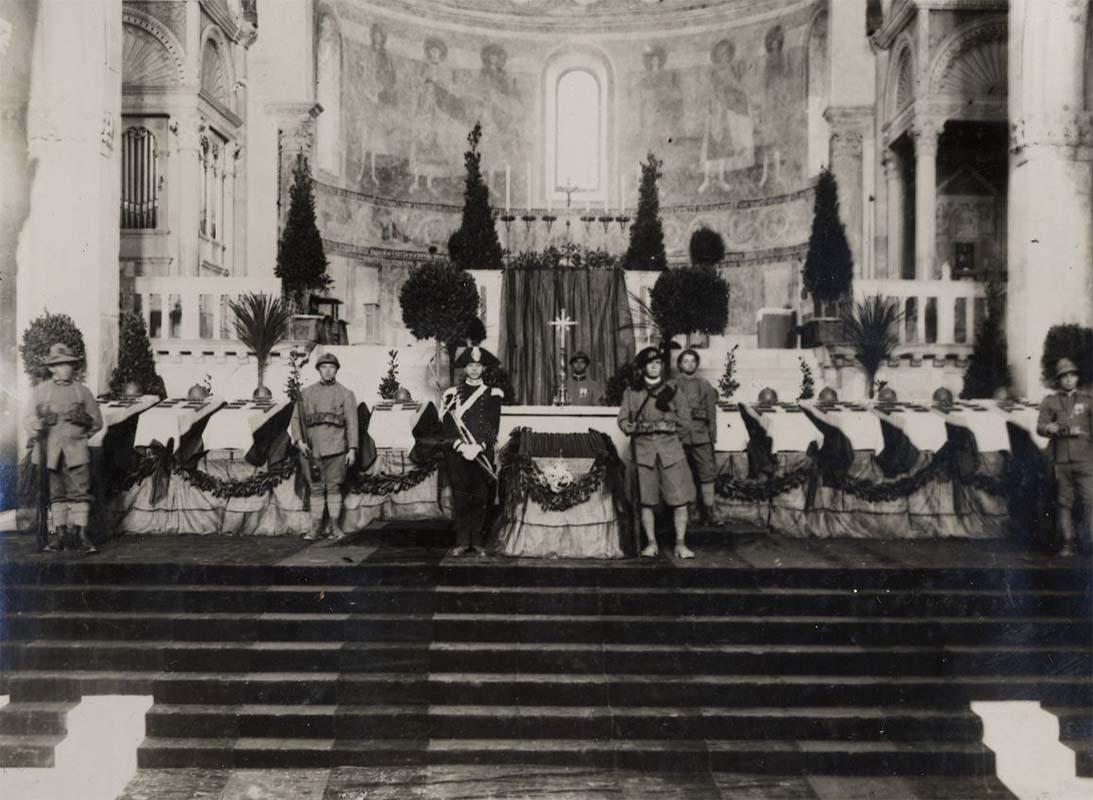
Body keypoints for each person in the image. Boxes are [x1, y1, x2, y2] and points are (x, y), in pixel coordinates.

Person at [617, 346, 697, 559]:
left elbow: (686, 423)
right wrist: (629, 427)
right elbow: (623, 419)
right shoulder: (632, 392)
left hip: (671, 453)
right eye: (650, 363)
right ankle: (651, 543)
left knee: (680, 499)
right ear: (643, 368)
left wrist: (668, 427)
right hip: (643, 453)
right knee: (646, 500)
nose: (655, 366)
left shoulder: (673, 390)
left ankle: (681, 543)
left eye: (658, 363)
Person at [24, 343, 103, 553]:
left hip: (76, 452)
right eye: (60, 365)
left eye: (69, 364)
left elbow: (97, 422)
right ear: (52, 368)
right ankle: (59, 535)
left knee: (81, 492)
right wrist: (35, 424)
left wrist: (79, 434)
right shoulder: (41, 392)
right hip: (50, 453)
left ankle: (81, 534)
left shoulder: (82, 392)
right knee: (55, 493)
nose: (66, 368)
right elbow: (28, 417)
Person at [442, 345, 504, 557]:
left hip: (480, 452)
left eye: (478, 365)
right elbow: (448, 426)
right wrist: (460, 446)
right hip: (459, 454)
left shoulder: (493, 394)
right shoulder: (451, 394)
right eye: (471, 365)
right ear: (465, 368)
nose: (475, 369)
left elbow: (492, 425)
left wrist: (480, 446)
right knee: (460, 497)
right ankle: (461, 540)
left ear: (483, 368)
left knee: (480, 497)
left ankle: (477, 540)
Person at [290, 352, 358, 542]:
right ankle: (315, 528)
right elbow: (296, 420)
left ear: (336, 370)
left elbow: (352, 424)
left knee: (334, 488)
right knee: (316, 489)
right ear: (319, 370)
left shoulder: (346, 394)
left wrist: (352, 449)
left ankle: (335, 527)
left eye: (331, 367)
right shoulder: (306, 394)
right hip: (311, 451)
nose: (328, 371)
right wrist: (299, 441)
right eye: (324, 367)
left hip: (337, 449)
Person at [1037, 357, 1093, 556]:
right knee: (1064, 502)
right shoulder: (1050, 402)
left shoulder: (1088, 401)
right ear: (1058, 380)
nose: (1068, 380)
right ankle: (1067, 543)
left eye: (1072, 375)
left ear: (1077, 377)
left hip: (1086, 461)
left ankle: (1089, 543)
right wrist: (1049, 428)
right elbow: (1041, 426)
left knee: (1090, 502)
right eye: (1064, 377)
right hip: (1061, 461)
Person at [674, 349, 719, 523]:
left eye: (693, 361)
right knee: (681, 475)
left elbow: (711, 413)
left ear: (697, 364)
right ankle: (686, 513)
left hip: (701, 437)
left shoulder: (705, 385)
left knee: (707, 474)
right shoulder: (672, 385)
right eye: (685, 361)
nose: (689, 364)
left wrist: (712, 437)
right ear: (679, 364)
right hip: (680, 437)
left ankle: (709, 512)